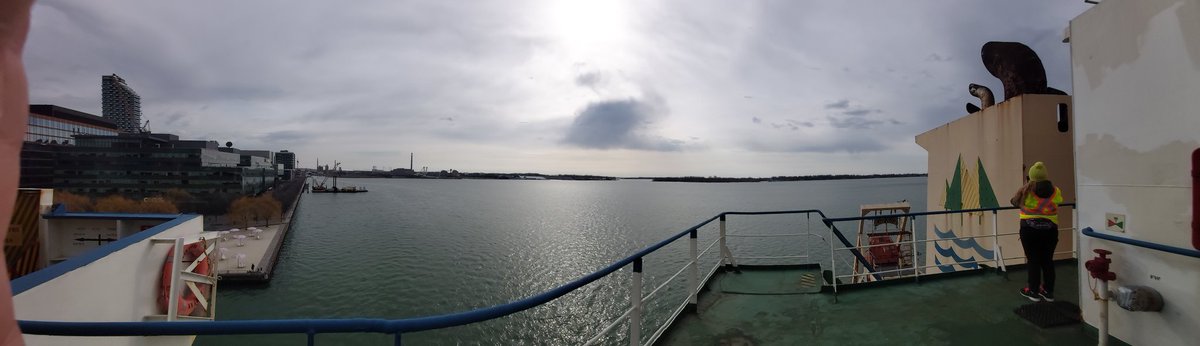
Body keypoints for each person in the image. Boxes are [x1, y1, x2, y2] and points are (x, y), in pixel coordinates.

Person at [1010, 162, 1063, 302]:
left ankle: (1033, 291)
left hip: (1029, 230)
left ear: (1031, 177)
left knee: (1033, 260)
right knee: (1047, 260)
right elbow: (1058, 201)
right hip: (1050, 230)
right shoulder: (1056, 191)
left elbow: (1014, 202)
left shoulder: (1026, 191)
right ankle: (1048, 292)